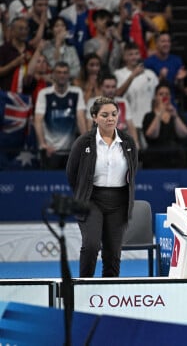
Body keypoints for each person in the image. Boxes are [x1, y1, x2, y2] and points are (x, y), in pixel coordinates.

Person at [66, 96, 138, 277]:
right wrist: (83, 193)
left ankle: (109, 294)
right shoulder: (83, 142)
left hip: (119, 202)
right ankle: (83, 287)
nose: (110, 118)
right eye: (104, 115)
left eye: (114, 114)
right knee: (91, 246)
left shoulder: (128, 142)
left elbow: (132, 169)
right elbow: (72, 173)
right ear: (94, 117)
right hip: (91, 200)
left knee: (113, 253)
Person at [34, 61, 87, 169]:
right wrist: (43, 144)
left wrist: (86, 142)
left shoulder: (76, 92)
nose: (62, 75)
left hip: (70, 151)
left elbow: (80, 118)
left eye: (65, 72)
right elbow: (38, 120)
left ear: (69, 75)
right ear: (53, 75)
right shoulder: (44, 94)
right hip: (51, 151)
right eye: (59, 72)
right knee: (50, 183)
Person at [115, 42, 158, 142]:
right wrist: (132, 76)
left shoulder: (151, 74)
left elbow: (156, 99)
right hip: (129, 123)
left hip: (149, 122)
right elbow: (117, 94)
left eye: (136, 54)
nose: (134, 57)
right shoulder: (118, 74)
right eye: (130, 54)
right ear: (124, 57)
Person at [141, 82, 187, 168]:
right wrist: (159, 115)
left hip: (175, 157)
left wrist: (175, 116)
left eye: (167, 94)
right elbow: (152, 135)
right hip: (154, 157)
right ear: (155, 97)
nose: (164, 96)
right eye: (161, 94)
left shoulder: (178, 115)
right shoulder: (149, 116)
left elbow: (184, 134)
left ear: (170, 97)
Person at [85, 73, 139, 150]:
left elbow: (130, 125)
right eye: (107, 87)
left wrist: (136, 143)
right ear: (101, 87)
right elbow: (89, 127)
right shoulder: (93, 102)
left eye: (113, 87)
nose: (110, 90)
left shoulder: (123, 102)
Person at [0, 17, 34, 93]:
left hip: (26, 96)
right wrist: (14, 64)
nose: (24, 32)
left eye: (26, 29)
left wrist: (31, 61)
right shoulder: (3, 50)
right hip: (6, 95)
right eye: (21, 29)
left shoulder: (31, 49)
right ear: (12, 31)